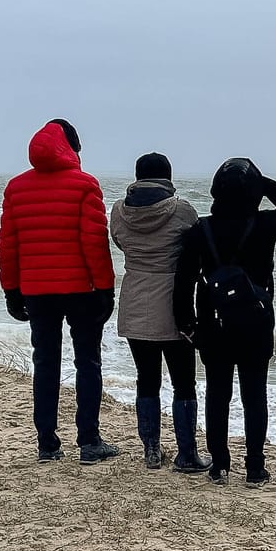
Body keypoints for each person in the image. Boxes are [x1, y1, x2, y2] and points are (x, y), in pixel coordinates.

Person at [0, 119, 121, 465]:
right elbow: (94, 243)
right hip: (81, 289)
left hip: (37, 292)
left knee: (46, 364)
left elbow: (9, 244)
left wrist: (11, 289)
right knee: (88, 362)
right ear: (72, 148)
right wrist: (106, 288)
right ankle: (89, 441)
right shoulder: (84, 185)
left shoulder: (16, 188)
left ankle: (47, 444)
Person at [173, 157, 276, 486]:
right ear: (254, 193)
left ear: (215, 191)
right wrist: (264, 183)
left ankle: (219, 466)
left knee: (218, 394)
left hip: (213, 326)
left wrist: (188, 325)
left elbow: (183, 282)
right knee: (254, 395)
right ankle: (255, 466)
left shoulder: (200, 230)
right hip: (256, 323)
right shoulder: (265, 225)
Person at [109, 152, 211, 473]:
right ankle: (187, 454)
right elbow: (196, 245)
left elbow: (120, 242)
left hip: (135, 297)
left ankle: (151, 450)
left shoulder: (118, 211)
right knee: (183, 382)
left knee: (146, 379)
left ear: (137, 176)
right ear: (168, 176)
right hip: (173, 302)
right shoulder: (182, 210)